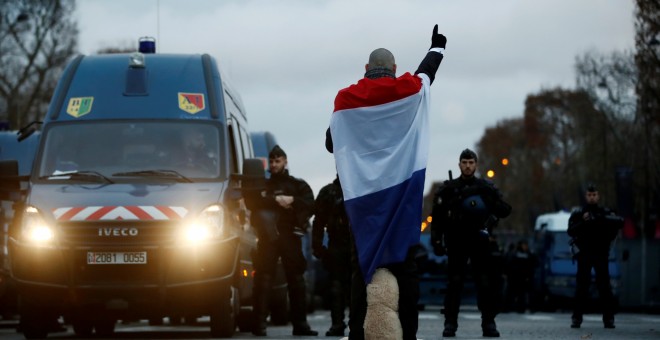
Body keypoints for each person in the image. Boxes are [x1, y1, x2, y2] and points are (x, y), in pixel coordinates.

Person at [326, 25, 446, 340]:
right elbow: (426, 76)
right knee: (407, 272)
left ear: (366, 69)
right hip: (401, 200)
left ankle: (356, 334)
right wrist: (437, 48)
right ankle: (409, 334)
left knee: (361, 270)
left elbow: (331, 142)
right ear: (394, 69)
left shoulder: (346, 98)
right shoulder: (409, 90)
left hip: (362, 204)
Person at [430, 148, 512, 338]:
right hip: (456, 241)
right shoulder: (449, 189)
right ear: (459, 165)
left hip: (479, 241)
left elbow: (505, 210)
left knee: (484, 283)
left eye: (471, 162)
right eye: (464, 162)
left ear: (476, 164)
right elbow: (438, 217)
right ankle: (450, 323)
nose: (468, 166)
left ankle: (488, 323)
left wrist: (490, 201)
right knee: (454, 284)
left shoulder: (485, 187)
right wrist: (437, 241)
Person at [247, 145, 318, 337]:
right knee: (263, 278)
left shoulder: (297, 186)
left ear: (285, 161)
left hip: (289, 236)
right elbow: (252, 201)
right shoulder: (263, 185)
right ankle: (259, 324)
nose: (274, 164)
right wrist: (276, 200)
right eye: (271, 161)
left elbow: (310, 203)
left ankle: (300, 325)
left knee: (296, 280)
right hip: (268, 238)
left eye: (277, 161)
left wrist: (292, 200)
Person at [567, 184, 622, 329]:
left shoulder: (605, 213)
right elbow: (570, 231)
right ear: (586, 196)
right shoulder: (579, 213)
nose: (592, 197)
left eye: (594, 195)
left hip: (600, 253)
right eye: (589, 195)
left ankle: (608, 319)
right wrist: (583, 222)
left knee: (604, 286)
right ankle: (576, 318)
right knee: (581, 287)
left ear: (598, 196)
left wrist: (602, 225)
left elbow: (614, 229)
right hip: (584, 253)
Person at [311, 175, 352, 336]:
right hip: (337, 245)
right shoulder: (329, 192)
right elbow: (319, 221)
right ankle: (337, 323)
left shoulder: (360, 187)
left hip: (357, 244)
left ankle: (356, 323)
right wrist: (317, 246)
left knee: (358, 286)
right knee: (336, 286)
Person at [504, 239, 537, 313]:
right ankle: (507, 308)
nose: (525, 247)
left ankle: (520, 308)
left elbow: (533, 264)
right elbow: (508, 264)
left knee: (521, 294)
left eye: (526, 245)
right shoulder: (514, 253)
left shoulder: (529, 253)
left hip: (524, 277)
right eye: (524, 245)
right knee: (510, 293)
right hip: (514, 276)